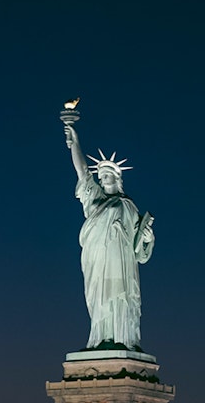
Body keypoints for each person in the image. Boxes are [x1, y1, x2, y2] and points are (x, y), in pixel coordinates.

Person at [64, 122, 155, 351]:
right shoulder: (94, 199)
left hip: (121, 261)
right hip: (97, 258)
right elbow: (82, 172)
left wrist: (147, 238)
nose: (104, 179)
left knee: (120, 295)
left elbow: (140, 252)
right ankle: (101, 338)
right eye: (101, 176)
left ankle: (124, 339)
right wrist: (74, 141)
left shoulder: (128, 207)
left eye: (108, 175)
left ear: (117, 178)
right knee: (100, 297)